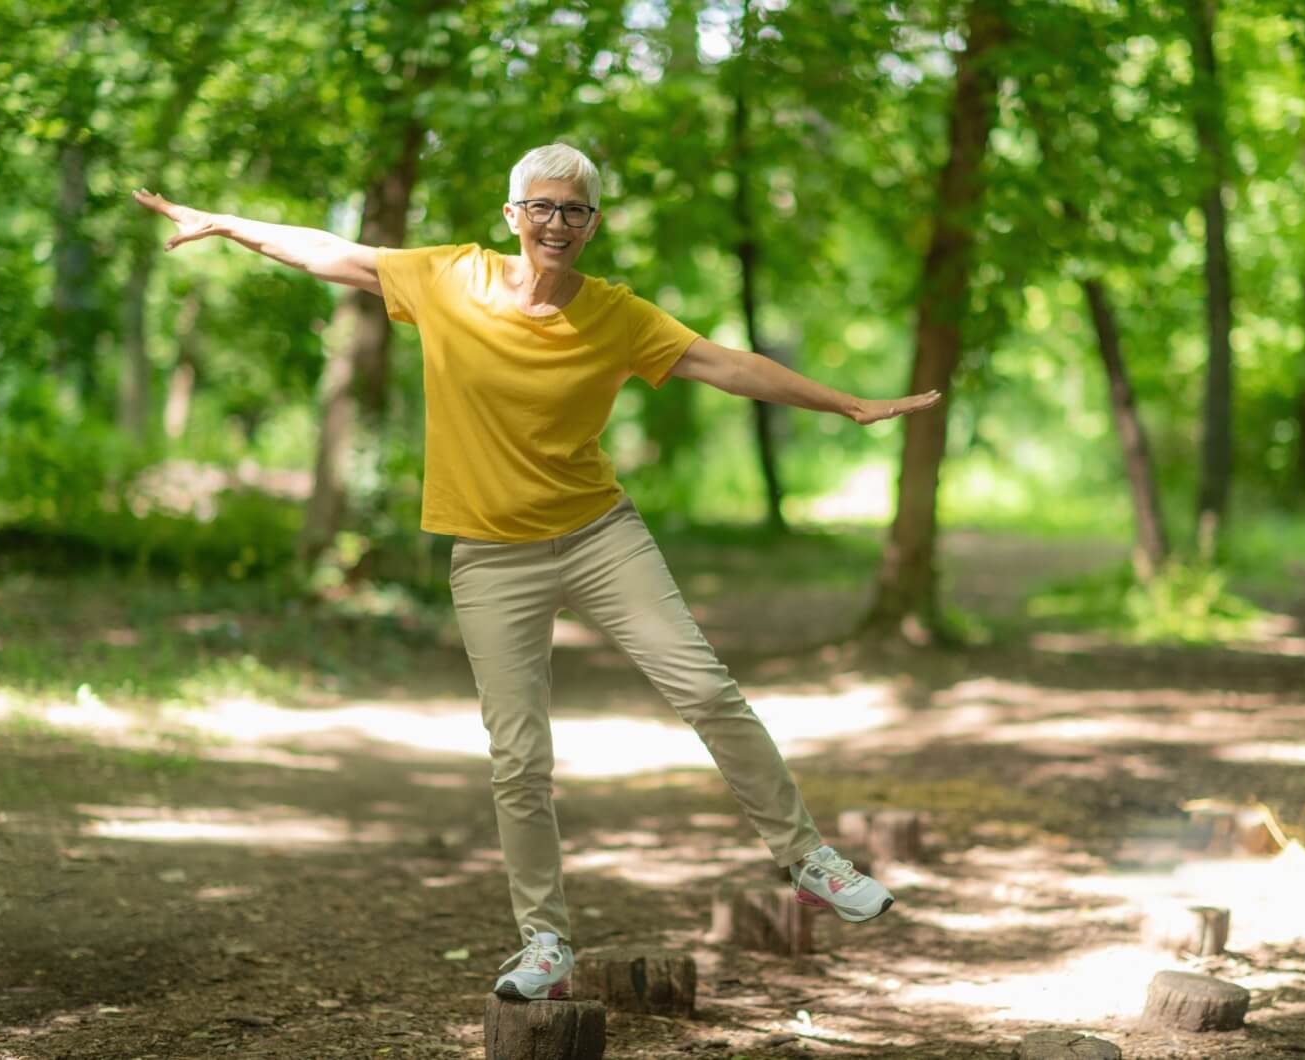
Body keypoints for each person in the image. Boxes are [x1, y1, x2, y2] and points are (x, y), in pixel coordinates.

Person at [134, 143, 943, 1002]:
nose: (559, 223)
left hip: (600, 534)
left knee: (707, 690)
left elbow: (723, 364)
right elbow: (333, 253)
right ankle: (545, 940)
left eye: (577, 210)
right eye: (545, 207)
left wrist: (845, 402)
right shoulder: (451, 279)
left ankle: (808, 857)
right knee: (519, 758)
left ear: (594, 225)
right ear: (514, 215)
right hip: (489, 554)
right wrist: (223, 225)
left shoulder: (618, 316)